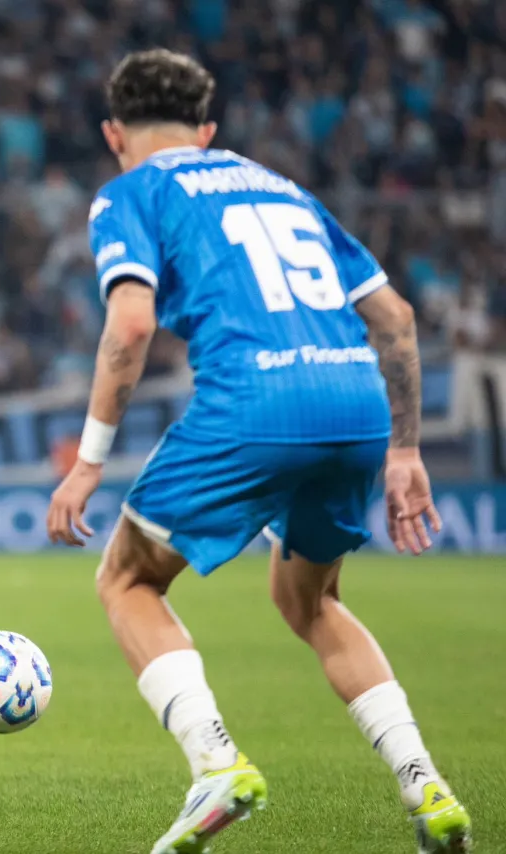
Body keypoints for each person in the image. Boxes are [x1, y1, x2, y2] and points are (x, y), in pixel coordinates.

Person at [46, 49, 472, 854]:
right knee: (310, 601)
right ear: (207, 130)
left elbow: (130, 324)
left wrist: (89, 462)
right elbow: (396, 319)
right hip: (356, 403)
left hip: (256, 400)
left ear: (113, 134)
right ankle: (426, 785)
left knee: (128, 578)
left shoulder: (130, 192)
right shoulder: (283, 188)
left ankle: (216, 764)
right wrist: (405, 450)